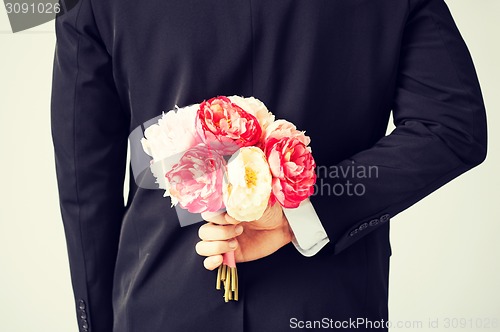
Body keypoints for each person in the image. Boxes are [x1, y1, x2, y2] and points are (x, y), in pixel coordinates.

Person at [51, 0, 487, 331]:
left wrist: (96, 322)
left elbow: (83, 177)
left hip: (160, 301)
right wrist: (308, 212)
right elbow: (452, 126)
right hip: (331, 309)